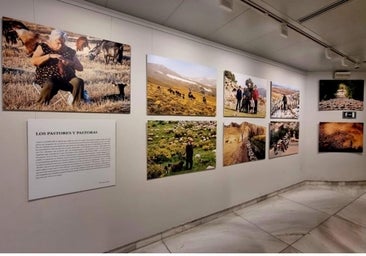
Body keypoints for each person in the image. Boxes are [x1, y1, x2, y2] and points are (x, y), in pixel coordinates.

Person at [31, 29, 84, 105]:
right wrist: (49, 56)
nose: (61, 46)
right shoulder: (43, 47)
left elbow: (80, 68)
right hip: (48, 78)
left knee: (78, 81)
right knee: (50, 83)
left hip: (67, 79)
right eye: (58, 43)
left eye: (63, 43)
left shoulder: (70, 51)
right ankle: (40, 105)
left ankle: (76, 106)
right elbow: (33, 61)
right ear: (51, 40)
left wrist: (70, 63)